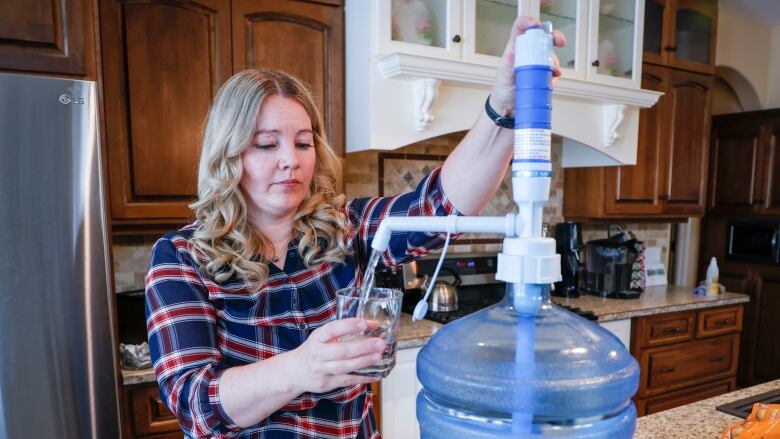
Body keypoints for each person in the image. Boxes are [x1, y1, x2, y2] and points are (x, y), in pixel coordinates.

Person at [145, 16, 565, 439]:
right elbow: (193, 403)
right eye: (267, 144)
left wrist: (504, 106)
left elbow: (441, 206)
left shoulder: (348, 228)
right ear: (229, 154)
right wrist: (302, 367)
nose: (291, 159)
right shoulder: (182, 259)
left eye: (303, 143)